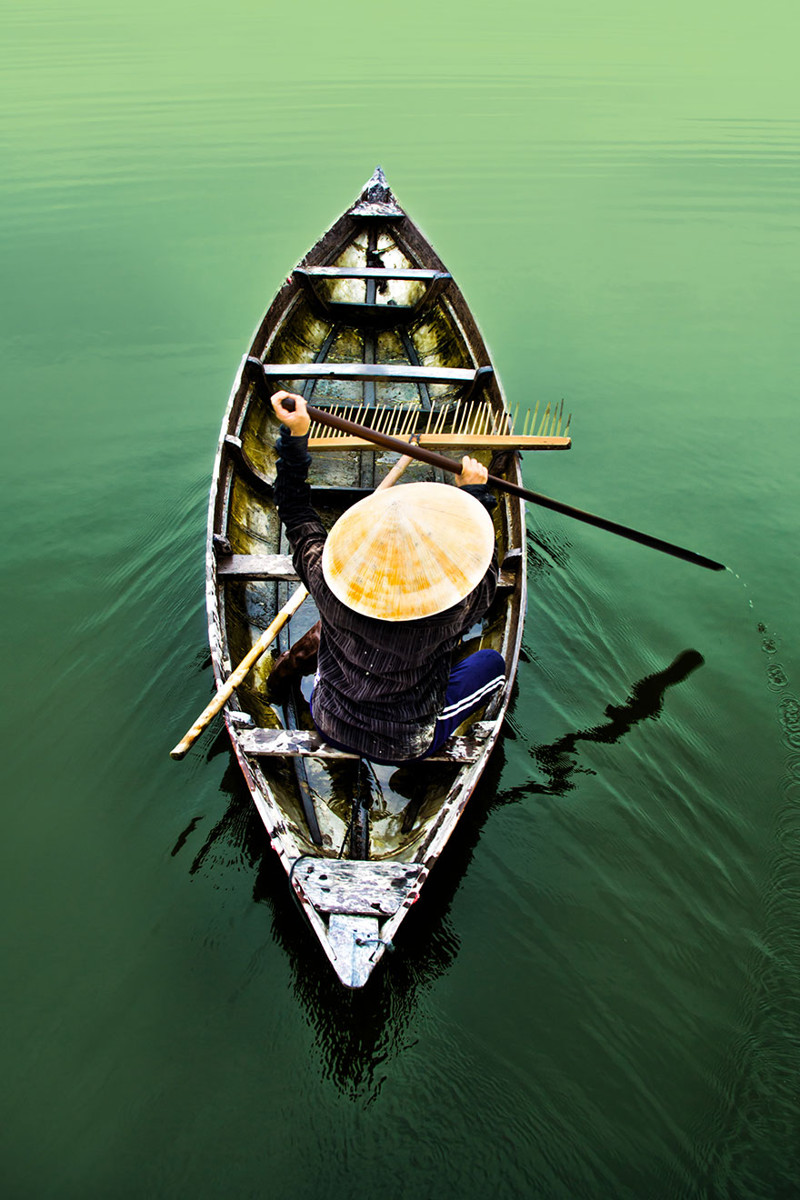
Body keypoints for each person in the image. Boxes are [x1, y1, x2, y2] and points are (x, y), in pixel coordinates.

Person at [269, 390, 506, 765]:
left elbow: (295, 510)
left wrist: (295, 436)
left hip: (327, 717)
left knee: (329, 636)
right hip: (407, 741)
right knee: (493, 665)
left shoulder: (326, 582)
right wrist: (476, 497)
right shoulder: (451, 611)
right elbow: (485, 568)